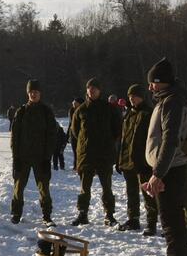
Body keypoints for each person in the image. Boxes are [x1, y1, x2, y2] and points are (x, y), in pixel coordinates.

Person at [143, 58, 187, 256]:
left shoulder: (172, 102)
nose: (150, 87)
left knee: (172, 225)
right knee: (171, 223)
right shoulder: (169, 100)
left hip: (171, 170)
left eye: (153, 82)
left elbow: (170, 141)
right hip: (169, 169)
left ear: (161, 83)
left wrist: (158, 174)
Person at [70, 78, 122, 227]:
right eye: (89, 88)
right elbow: (75, 131)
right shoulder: (81, 110)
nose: (92, 91)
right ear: (87, 91)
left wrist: (108, 143)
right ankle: (82, 214)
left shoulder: (109, 108)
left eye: (95, 88)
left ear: (100, 91)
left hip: (104, 155)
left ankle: (109, 215)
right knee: (84, 188)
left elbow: (117, 129)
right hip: (86, 155)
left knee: (107, 187)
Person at [10, 79, 58, 225]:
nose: (33, 94)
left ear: (40, 93)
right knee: (18, 187)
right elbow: (15, 136)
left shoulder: (46, 111)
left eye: (36, 92)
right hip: (23, 157)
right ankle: (16, 214)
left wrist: (47, 157)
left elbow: (51, 135)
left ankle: (47, 215)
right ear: (28, 93)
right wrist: (15, 157)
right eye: (31, 92)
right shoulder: (21, 111)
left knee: (44, 188)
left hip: (41, 157)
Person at [116, 84, 158, 236]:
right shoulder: (129, 114)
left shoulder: (149, 113)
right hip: (128, 161)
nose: (132, 99)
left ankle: (151, 223)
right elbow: (124, 140)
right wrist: (120, 160)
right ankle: (133, 219)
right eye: (130, 96)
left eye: (134, 96)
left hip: (143, 162)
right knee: (131, 193)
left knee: (148, 194)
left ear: (142, 96)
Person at [67, 97, 84, 171]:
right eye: (73, 103)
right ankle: (76, 165)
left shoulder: (83, 110)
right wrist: (67, 134)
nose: (73, 104)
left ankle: (81, 165)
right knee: (75, 151)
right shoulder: (71, 111)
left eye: (75, 103)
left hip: (81, 133)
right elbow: (70, 123)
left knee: (81, 150)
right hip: (72, 133)